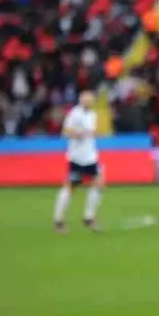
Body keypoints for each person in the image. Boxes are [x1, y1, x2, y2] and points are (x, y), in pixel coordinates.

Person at [54, 91, 105, 232]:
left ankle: (89, 217)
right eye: (87, 100)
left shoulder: (92, 115)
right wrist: (77, 134)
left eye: (91, 100)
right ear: (81, 101)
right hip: (77, 157)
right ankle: (58, 220)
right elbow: (65, 132)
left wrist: (91, 135)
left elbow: (91, 133)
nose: (89, 102)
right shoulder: (74, 114)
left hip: (90, 156)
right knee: (70, 188)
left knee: (99, 183)